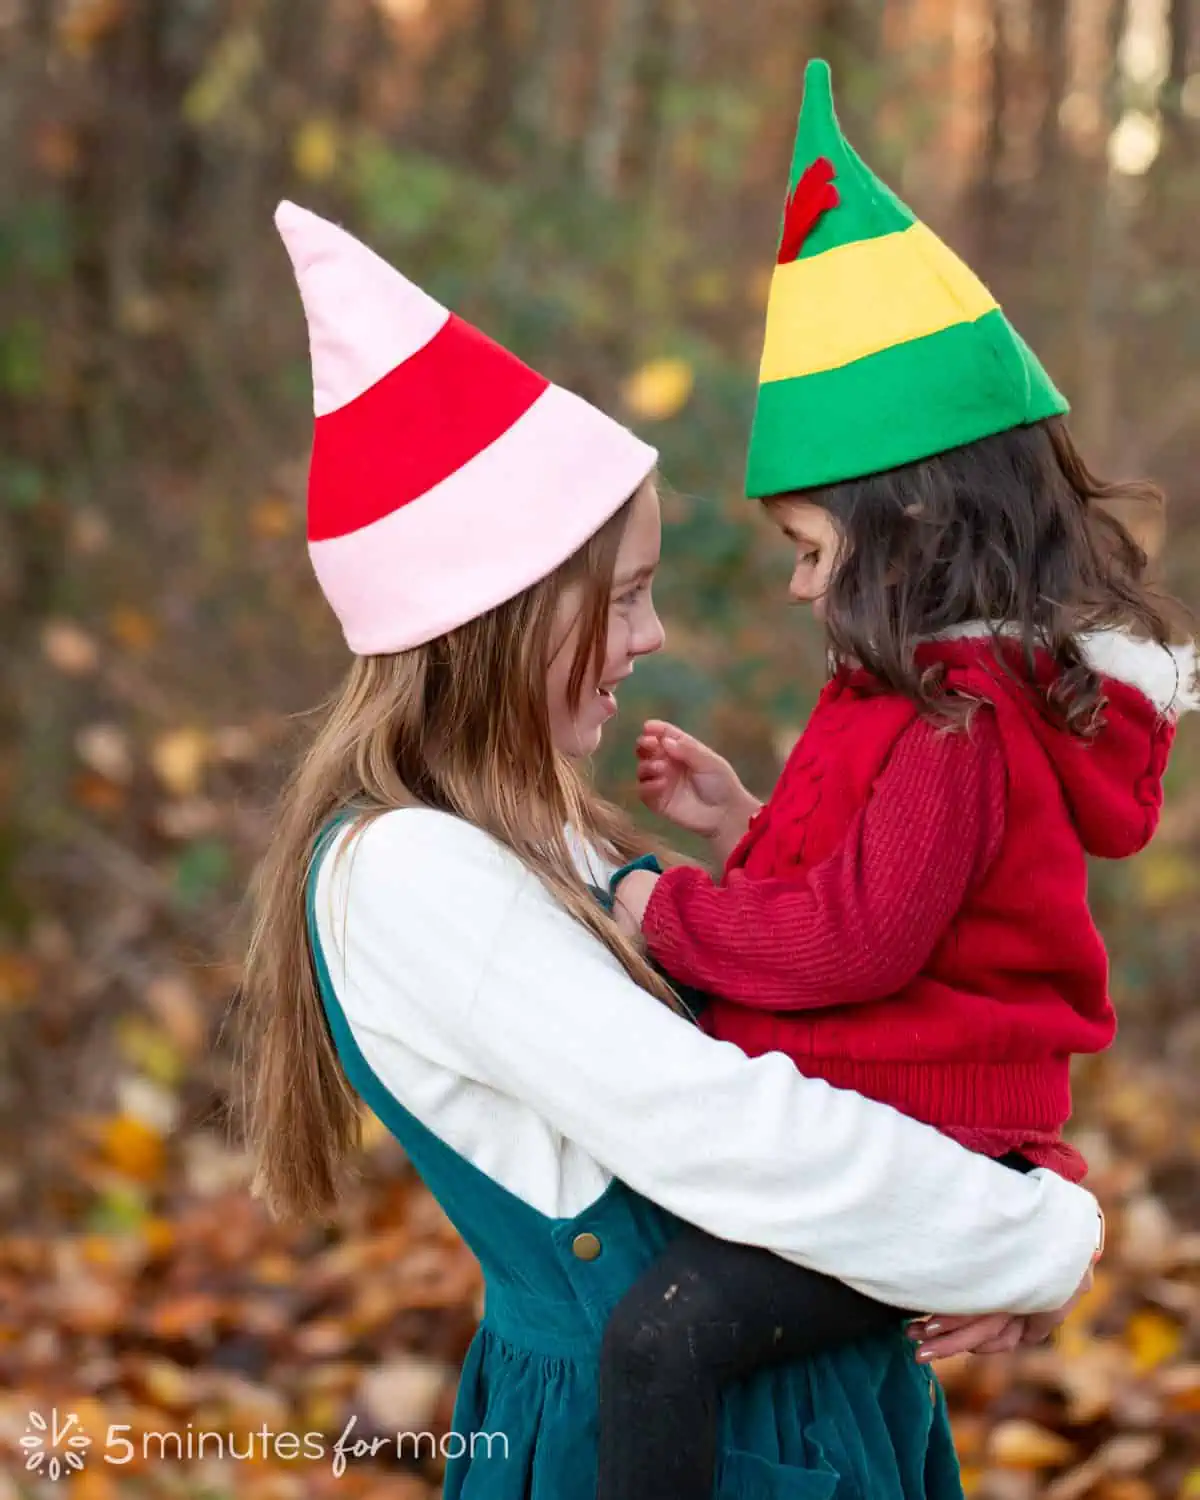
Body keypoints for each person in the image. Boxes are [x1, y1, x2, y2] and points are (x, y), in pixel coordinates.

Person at [239, 197, 1104, 1500]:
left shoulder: (548, 832)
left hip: (806, 1411)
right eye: (625, 597)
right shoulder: (410, 874)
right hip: (669, 1449)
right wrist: (1033, 1239)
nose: (650, 640)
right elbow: (726, 1134)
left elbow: (848, 1015)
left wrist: (987, 1227)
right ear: (503, 614)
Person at [598, 58, 1195, 1500]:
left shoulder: (957, 717)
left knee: (657, 1345)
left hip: (921, 1147)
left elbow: (861, 939)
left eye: (812, 551)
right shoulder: (917, 701)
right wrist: (748, 826)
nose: (804, 591)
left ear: (909, 519)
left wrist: (658, 907)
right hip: (905, 1122)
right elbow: (885, 897)